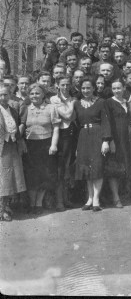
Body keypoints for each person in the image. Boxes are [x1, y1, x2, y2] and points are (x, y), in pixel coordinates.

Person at [21, 84, 60, 215]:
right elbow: (21, 127)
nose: (34, 96)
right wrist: (22, 143)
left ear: (43, 94)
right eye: (32, 94)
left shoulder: (51, 108)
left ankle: (39, 203)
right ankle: (32, 203)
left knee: (45, 174)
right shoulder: (26, 108)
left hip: (46, 145)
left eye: (37, 93)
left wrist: (53, 145)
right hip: (30, 146)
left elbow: (56, 128)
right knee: (32, 176)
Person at [73, 77, 112, 212]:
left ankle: (96, 199)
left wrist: (106, 140)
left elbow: (105, 121)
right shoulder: (77, 104)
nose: (86, 90)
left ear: (94, 88)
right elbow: (76, 124)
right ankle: (89, 198)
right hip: (83, 137)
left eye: (88, 88)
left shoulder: (101, 102)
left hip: (97, 135)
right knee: (86, 169)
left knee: (97, 167)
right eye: (83, 88)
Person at [50, 76, 77, 212]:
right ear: (58, 86)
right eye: (62, 85)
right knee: (61, 168)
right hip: (61, 136)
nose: (65, 87)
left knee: (69, 168)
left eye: (67, 85)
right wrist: (73, 105)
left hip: (73, 134)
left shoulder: (72, 98)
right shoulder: (54, 99)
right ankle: (59, 201)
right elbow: (67, 115)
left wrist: (71, 110)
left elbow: (73, 116)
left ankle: (66, 199)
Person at [104, 79, 131, 208]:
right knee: (114, 168)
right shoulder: (109, 103)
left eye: (119, 88)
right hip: (116, 139)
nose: (116, 91)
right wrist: (111, 141)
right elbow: (107, 122)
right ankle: (116, 198)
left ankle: (124, 193)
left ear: (124, 88)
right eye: (114, 88)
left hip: (127, 139)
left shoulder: (127, 102)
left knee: (124, 166)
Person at [0, 83, 26, 221]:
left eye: (5, 94)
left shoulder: (13, 109)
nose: (3, 97)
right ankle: (1, 210)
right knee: (2, 178)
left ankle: (6, 207)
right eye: (0, 94)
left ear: (10, 95)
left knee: (9, 179)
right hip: (1, 147)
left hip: (12, 147)